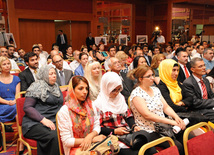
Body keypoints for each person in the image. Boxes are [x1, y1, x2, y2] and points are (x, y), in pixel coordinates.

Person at [129, 65, 186, 155]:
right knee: (177, 146)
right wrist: (171, 122)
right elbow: (147, 115)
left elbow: (166, 107)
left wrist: (176, 117)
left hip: (163, 126)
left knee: (186, 137)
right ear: (140, 79)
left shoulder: (155, 90)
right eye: (149, 76)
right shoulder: (136, 94)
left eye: (153, 75)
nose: (152, 78)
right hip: (149, 130)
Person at [93, 72, 155, 155]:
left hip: (126, 133)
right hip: (111, 137)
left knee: (151, 150)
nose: (116, 93)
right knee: (136, 153)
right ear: (106, 88)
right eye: (113, 90)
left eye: (119, 89)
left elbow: (128, 116)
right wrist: (115, 131)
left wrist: (134, 126)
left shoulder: (120, 98)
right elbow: (97, 128)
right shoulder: (98, 104)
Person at [57, 76, 105, 155]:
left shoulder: (91, 105)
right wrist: (91, 139)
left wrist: (90, 136)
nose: (85, 92)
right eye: (80, 88)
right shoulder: (65, 111)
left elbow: (97, 126)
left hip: (92, 144)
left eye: (86, 88)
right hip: (75, 148)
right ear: (72, 90)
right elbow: (67, 141)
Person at [22, 65, 63, 155]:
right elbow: (27, 107)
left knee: (66, 133)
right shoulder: (36, 86)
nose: (54, 76)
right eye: (51, 74)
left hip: (54, 120)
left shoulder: (55, 86)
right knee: (54, 136)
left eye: (55, 73)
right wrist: (43, 120)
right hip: (35, 122)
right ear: (44, 75)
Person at [183, 57, 214, 122]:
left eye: (204, 65)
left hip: (208, 107)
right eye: (200, 66)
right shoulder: (188, 83)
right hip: (197, 110)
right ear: (192, 69)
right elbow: (195, 103)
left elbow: (211, 96)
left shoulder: (206, 80)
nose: (204, 68)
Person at [0, 56, 20, 125]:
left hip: (14, 103)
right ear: (0, 67)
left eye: (8, 64)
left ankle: (22, 133)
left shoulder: (16, 78)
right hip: (2, 104)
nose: (7, 66)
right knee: (17, 109)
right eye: (4, 64)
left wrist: (14, 101)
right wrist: (8, 102)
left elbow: (18, 95)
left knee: (19, 107)